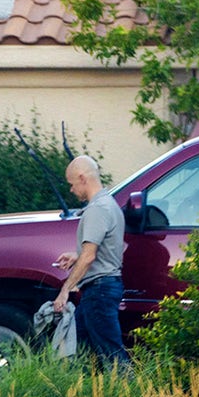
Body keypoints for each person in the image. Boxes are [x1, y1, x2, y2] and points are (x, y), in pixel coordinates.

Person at [53, 155, 130, 367]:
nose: (71, 190)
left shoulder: (97, 209)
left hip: (99, 290)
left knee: (112, 355)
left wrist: (65, 289)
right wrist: (77, 255)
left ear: (81, 177)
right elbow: (102, 250)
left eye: (71, 184)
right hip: (101, 290)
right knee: (79, 352)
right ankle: (83, 395)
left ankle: (135, 396)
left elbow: (89, 256)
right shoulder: (110, 204)